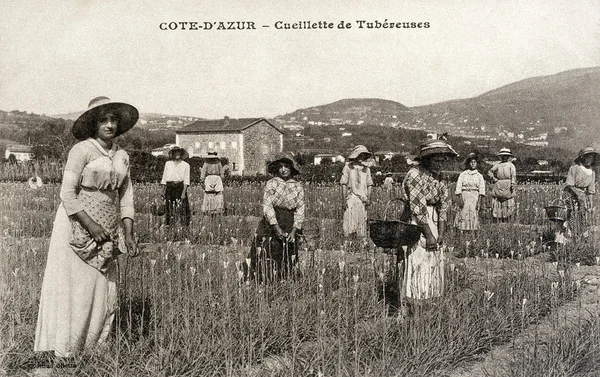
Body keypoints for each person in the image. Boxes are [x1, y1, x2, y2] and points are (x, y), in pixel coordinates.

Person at [35, 96, 139, 357]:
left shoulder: (122, 156)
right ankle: (68, 349)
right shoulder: (81, 150)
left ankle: (95, 347)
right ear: (94, 124)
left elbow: (126, 197)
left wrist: (128, 233)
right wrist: (90, 225)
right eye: (103, 120)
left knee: (102, 286)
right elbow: (67, 194)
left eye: (113, 120)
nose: (110, 124)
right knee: (78, 286)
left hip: (107, 224)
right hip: (77, 223)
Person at [402, 139, 457, 300]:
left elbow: (444, 205)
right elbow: (418, 208)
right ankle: (415, 299)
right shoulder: (415, 175)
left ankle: (431, 297)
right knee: (419, 258)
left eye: (442, 160)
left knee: (433, 259)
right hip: (417, 223)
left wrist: (440, 232)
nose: (440, 164)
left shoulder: (439, 177)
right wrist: (429, 234)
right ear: (426, 159)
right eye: (436, 160)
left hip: (433, 220)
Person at [248, 153, 304, 282]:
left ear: (292, 168)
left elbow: (300, 209)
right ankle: (263, 279)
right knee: (267, 250)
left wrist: (295, 229)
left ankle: (284, 279)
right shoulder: (271, 183)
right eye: (281, 167)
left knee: (288, 253)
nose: (284, 169)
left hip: (289, 221)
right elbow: (267, 206)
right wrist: (275, 226)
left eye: (286, 166)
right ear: (277, 169)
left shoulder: (298, 186)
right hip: (272, 221)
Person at [340, 145, 373, 240]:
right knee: (349, 221)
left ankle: (359, 245)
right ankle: (349, 243)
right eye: (360, 155)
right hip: (351, 198)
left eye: (363, 155)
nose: (361, 157)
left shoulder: (367, 169)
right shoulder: (348, 168)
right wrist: (343, 200)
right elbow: (344, 184)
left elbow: (369, 184)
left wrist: (369, 199)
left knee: (361, 222)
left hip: (362, 199)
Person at [564, 146, 598, 221]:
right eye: (588, 157)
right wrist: (578, 194)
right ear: (583, 157)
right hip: (571, 194)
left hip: (582, 197)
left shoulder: (592, 172)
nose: (590, 159)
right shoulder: (575, 168)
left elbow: (590, 191)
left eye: (591, 158)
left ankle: (579, 231)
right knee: (570, 216)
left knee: (582, 216)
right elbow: (570, 184)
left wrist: (590, 205)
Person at [454, 153, 486, 231]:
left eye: (474, 162)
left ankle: (472, 231)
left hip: (474, 197)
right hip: (464, 196)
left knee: (473, 214)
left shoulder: (479, 176)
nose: (473, 164)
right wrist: (460, 199)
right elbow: (458, 187)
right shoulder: (463, 174)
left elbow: (481, 190)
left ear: (477, 164)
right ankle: (462, 230)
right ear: (468, 163)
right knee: (463, 213)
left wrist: (479, 202)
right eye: (471, 162)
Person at [161, 146, 191, 226]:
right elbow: (164, 178)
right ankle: (169, 226)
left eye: (179, 152)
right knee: (169, 209)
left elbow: (186, 180)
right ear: (173, 154)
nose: (177, 154)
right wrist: (163, 191)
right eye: (175, 152)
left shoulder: (186, 165)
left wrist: (183, 193)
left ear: (181, 153)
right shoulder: (168, 164)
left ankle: (183, 227)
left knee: (182, 209)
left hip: (180, 188)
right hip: (169, 188)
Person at [487, 148, 517, 222]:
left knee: (508, 200)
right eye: (503, 156)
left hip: (508, 183)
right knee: (497, 200)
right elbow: (490, 172)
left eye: (506, 156)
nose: (504, 157)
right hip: (499, 184)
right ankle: (498, 218)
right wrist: (494, 179)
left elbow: (513, 175)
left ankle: (507, 218)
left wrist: (512, 184)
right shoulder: (498, 165)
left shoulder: (511, 165)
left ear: (508, 157)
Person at [200, 149, 224, 215]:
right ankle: (209, 208)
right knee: (209, 193)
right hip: (209, 179)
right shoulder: (206, 163)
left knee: (218, 194)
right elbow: (203, 172)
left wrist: (202, 180)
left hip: (216, 179)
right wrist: (202, 180)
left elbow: (221, 173)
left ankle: (217, 208)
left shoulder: (218, 163)